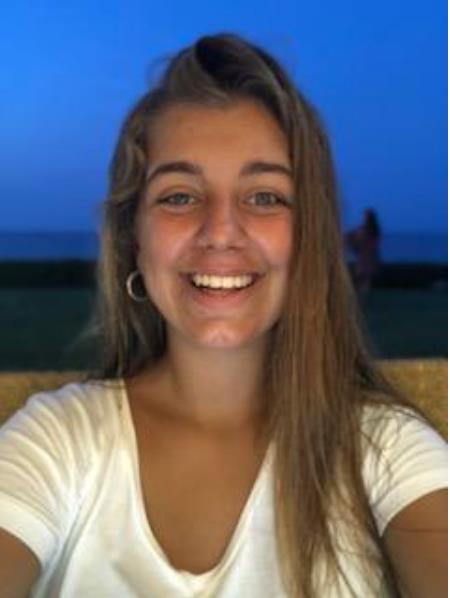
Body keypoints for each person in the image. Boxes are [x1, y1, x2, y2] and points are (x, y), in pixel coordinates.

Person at [0, 33, 447, 598]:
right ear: (135, 237)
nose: (220, 232)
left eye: (264, 197)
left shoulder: (386, 449)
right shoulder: (56, 442)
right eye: (179, 196)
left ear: (308, 235)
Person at [346, 208, 382, 295]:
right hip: (369, 256)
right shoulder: (373, 230)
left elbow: (357, 240)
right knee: (365, 278)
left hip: (366, 257)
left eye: (365, 216)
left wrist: (353, 241)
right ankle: (363, 294)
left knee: (363, 278)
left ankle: (362, 295)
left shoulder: (367, 230)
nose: (364, 218)